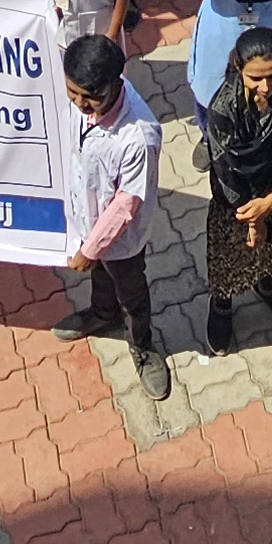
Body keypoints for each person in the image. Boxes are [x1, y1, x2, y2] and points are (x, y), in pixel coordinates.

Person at [195, 25, 272, 357]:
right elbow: (224, 169)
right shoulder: (223, 108)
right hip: (236, 200)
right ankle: (221, 303)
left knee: (271, 249)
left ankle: (265, 284)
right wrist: (254, 218)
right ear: (238, 68)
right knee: (230, 256)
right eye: (255, 79)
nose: (265, 87)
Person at [57, 34, 169, 401]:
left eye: (90, 98)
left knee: (130, 291)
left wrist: (90, 249)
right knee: (101, 279)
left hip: (119, 236)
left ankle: (143, 345)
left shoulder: (138, 136)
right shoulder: (87, 102)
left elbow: (125, 204)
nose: (81, 105)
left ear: (116, 84)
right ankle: (101, 313)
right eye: (74, 94)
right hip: (87, 219)